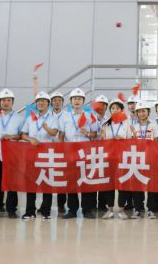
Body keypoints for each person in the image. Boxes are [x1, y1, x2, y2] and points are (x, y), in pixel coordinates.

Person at [0, 89, 24, 219]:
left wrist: (11, 136)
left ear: (12, 102)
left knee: (12, 184)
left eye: (8, 100)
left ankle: (11, 210)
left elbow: (22, 135)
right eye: (3, 100)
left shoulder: (19, 118)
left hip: (12, 156)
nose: (6, 103)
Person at [60, 88, 98, 219]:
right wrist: (61, 150)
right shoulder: (65, 116)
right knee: (71, 181)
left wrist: (87, 133)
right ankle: (72, 209)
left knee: (86, 180)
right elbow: (61, 134)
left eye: (80, 99)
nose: (77, 101)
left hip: (85, 151)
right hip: (70, 151)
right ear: (71, 101)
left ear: (83, 101)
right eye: (74, 99)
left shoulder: (89, 116)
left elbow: (95, 134)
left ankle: (87, 210)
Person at [20, 91, 59, 220]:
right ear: (36, 104)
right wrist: (30, 139)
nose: (41, 103)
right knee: (31, 183)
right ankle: (30, 211)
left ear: (48, 104)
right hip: (32, 155)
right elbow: (23, 134)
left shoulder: (53, 118)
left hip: (47, 155)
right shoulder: (30, 118)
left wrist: (46, 128)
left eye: (44, 101)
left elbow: (54, 133)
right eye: (39, 102)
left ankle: (46, 210)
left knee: (47, 183)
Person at [99, 99, 131, 219]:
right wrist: (103, 137)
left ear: (121, 110)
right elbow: (102, 141)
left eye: (117, 108)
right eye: (113, 108)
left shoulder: (127, 123)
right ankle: (110, 209)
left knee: (122, 182)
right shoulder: (106, 124)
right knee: (109, 183)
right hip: (109, 157)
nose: (115, 110)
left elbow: (131, 140)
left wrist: (122, 140)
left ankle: (121, 209)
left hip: (123, 157)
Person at [129, 101, 158, 218]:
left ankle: (151, 209)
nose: (142, 113)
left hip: (150, 158)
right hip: (137, 158)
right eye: (139, 112)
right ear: (136, 113)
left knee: (150, 184)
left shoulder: (153, 125)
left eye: (144, 111)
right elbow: (129, 143)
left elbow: (157, 141)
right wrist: (133, 136)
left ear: (148, 112)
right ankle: (138, 208)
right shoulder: (134, 126)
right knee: (137, 184)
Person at [48, 90, 67, 215]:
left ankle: (61, 205)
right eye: (54, 100)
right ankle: (46, 205)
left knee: (61, 178)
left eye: (59, 100)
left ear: (62, 102)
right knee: (47, 177)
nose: (57, 102)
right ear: (51, 102)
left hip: (63, 150)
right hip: (48, 150)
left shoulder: (67, 115)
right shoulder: (46, 115)